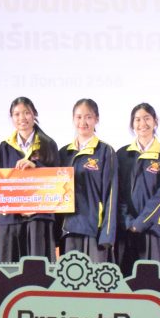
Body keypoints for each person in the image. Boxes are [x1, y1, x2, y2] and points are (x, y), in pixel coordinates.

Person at [0, 97, 59, 262]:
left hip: (39, 218)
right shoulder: (4, 147)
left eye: (26, 113)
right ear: (11, 118)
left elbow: (58, 181)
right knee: (9, 269)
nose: (22, 118)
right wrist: (17, 206)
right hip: (11, 219)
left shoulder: (48, 144)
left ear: (34, 114)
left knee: (38, 268)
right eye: (16, 114)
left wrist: (36, 167)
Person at [115, 102, 160, 275]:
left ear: (155, 121)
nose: (142, 123)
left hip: (154, 228)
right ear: (132, 124)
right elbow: (117, 192)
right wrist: (127, 221)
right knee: (125, 282)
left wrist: (141, 222)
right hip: (126, 230)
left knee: (154, 282)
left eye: (147, 118)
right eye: (137, 119)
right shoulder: (122, 154)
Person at [58, 98, 117, 262]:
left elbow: (111, 195)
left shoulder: (105, 151)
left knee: (96, 277)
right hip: (68, 231)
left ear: (96, 119)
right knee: (69, 276)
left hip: (94, 231)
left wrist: (107, 234)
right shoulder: (63, 153)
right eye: (78, 117)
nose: (83, 122)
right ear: (73, 119)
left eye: (88, 117)